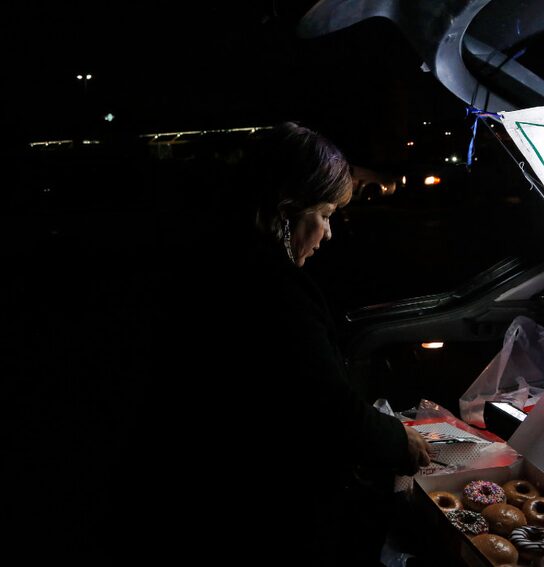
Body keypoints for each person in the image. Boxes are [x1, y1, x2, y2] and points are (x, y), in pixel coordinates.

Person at [109, 122, 430, 564]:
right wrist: (397, 441)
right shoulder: (269, 288)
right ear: (287, 210)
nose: (328, 234)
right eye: (325, 216)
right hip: (246, 517)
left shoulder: (214, 258)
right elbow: (325, 407)